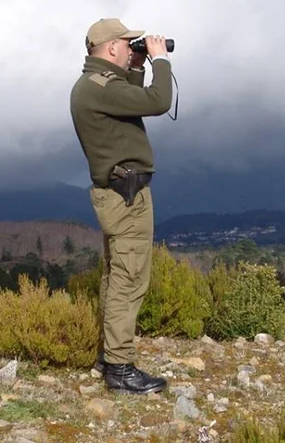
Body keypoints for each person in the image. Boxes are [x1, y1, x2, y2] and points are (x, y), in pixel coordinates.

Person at [69, 18, 173, 395]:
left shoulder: (95, 86)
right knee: (129, 280)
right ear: (111, 47)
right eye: (127, 44)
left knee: (117, 277)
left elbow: (128, 106)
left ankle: (109, 356)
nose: (132, 47)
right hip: (126, 198)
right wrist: (160, 60)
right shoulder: (98, 88)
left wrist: (137, 68)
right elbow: (158, 102)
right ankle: (120, 368)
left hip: (118, 194)